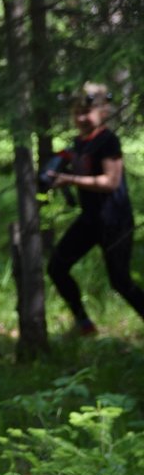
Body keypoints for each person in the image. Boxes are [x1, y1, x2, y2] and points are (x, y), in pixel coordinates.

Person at [43, 82, 144, 336]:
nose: (81, 118)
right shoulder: (79, 142)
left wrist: (70, 180)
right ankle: (84, 324)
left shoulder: (108, 140)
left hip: (115, 221)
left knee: (120, 281)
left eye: (86, 113)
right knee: (57, 267)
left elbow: (111, 182)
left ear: (103, 111)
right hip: (90, 221)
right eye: (76, 113)